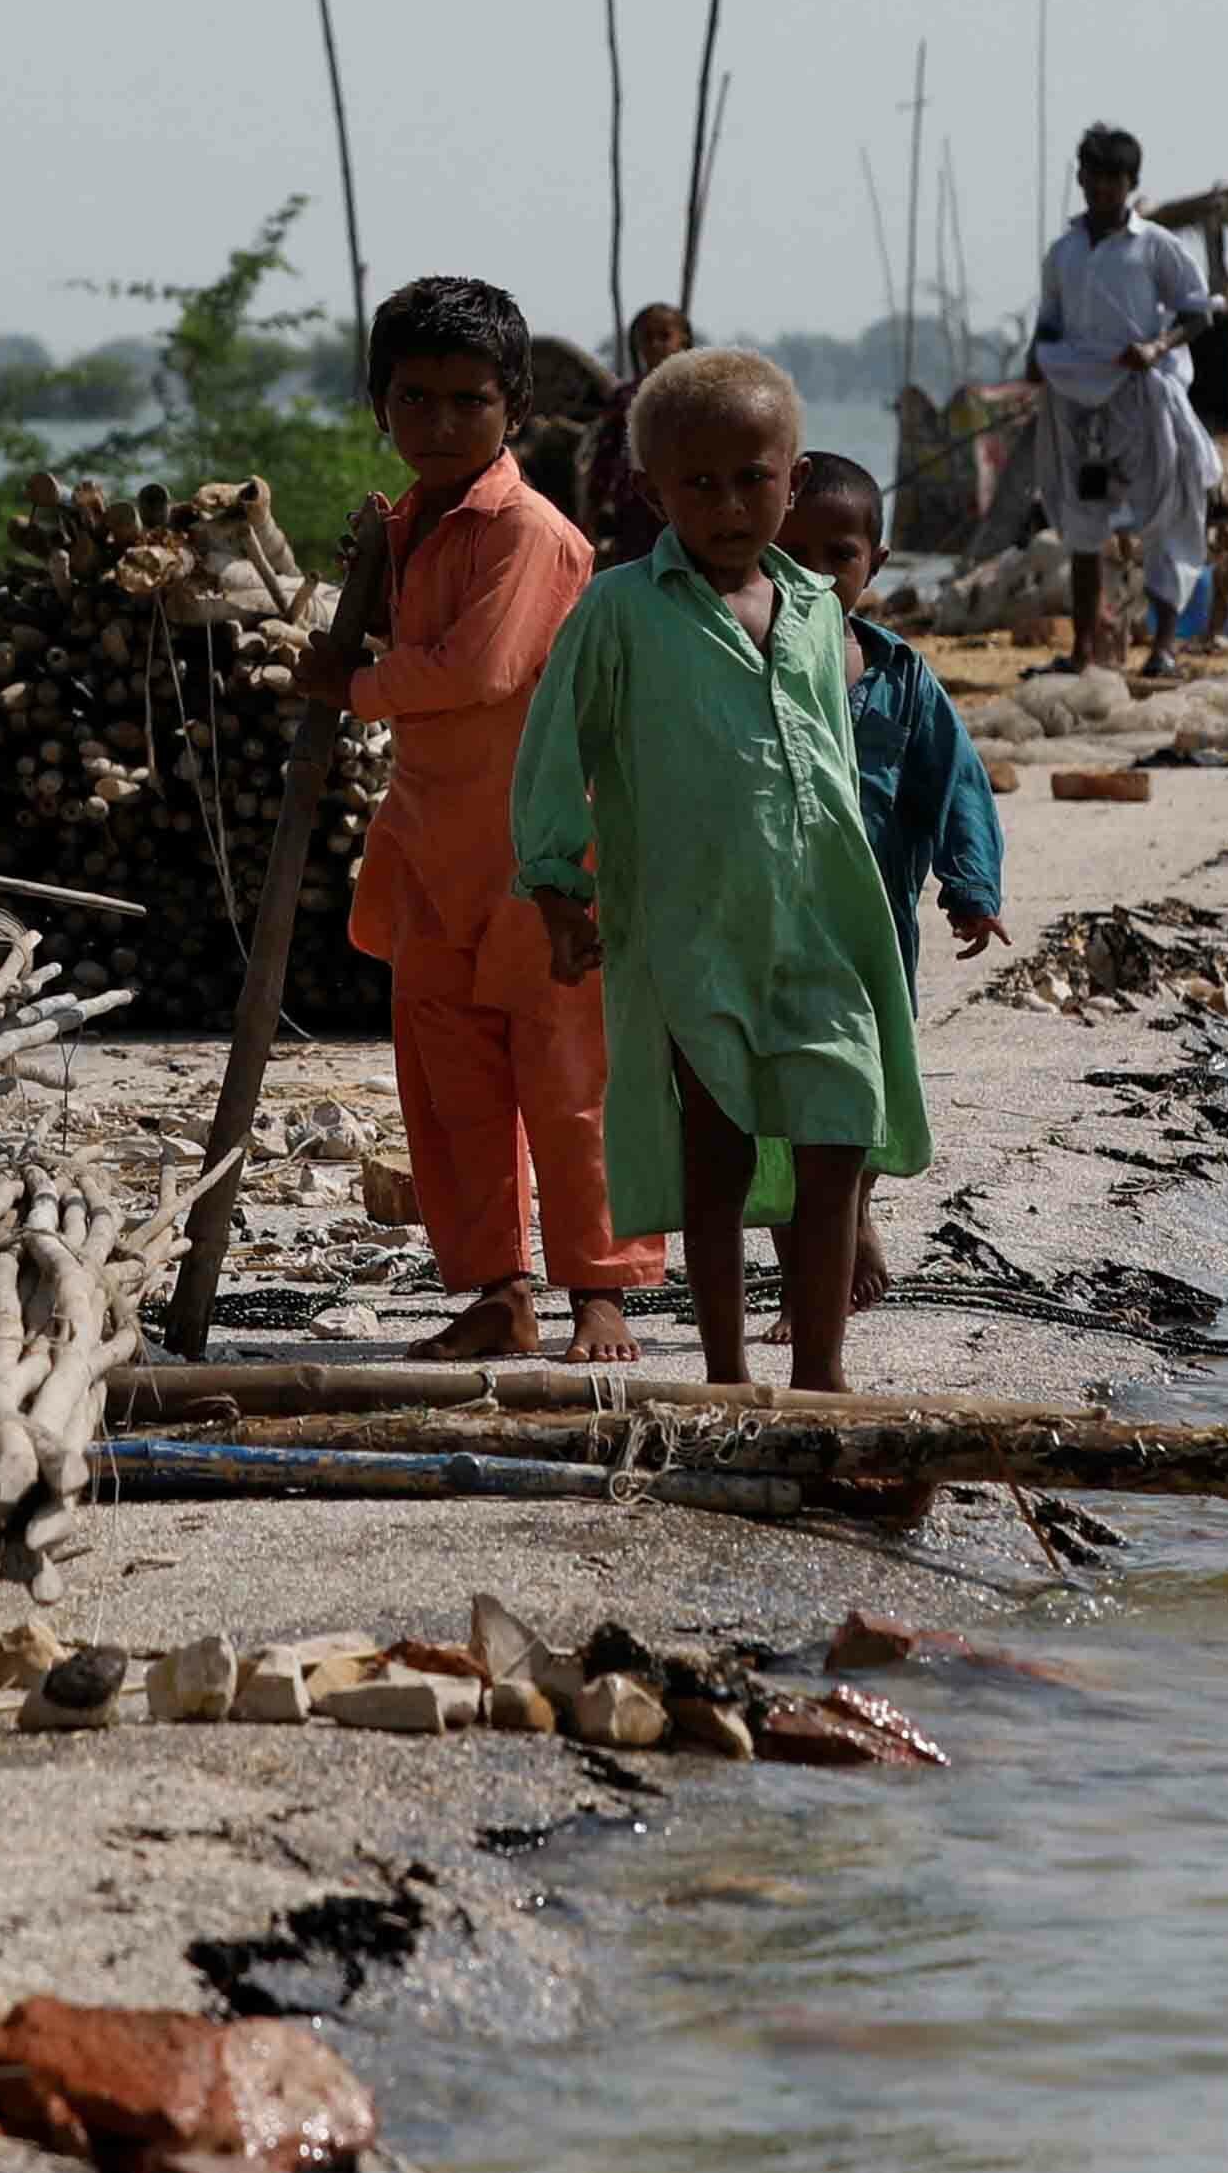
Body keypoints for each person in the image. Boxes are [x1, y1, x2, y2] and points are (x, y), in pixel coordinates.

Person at [516, 351, 931, 1405]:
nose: (729, 505)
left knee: (839, 1128)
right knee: (720, 1147)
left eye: (752, 479)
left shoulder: (813, 611)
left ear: (791, 481)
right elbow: (556, 751)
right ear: (654, 493)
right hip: (691, 929)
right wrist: (560, 892)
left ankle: (822, 1377)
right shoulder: (620, 612)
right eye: (697, 485)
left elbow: (830, 760)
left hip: (821, 926)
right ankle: (725, 1375)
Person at [304, 275, 663, 1365]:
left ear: (514, 406)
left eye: (468, 402)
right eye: (415, 400)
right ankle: (499, 1290)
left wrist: (350, 686)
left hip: (547, 854)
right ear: (378, 405)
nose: (440, 424)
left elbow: (482, 667)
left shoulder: (531, 532)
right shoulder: (407, 526)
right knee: (450, 1085)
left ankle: (600, 1291)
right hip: (431, 845)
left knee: (566, 1076)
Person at [775, 451, 1004, 1314]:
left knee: (858, 1091)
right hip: (771, 924)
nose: (816, 577)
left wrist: (972, 885)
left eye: (839, 556)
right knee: (784, 1099)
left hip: (873, 930)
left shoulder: (899, 675)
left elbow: (956, 782)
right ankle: (806, 1273)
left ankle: (856, 1213)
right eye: (793, 555)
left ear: (876, 562)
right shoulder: (737, 662)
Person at [988, 125, 1221, 679]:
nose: (1102, 189)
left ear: (1129, 182)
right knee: (1080, 524)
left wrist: (1156, 346)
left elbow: (1198, 312)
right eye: (1092, 177)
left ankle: (1163, 646)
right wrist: (1034, 360)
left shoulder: (1157, 246)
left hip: (1141, 397)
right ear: (1081, 180)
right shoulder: (1064, 253)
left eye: (1113, 179)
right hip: (1073, 399)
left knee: (1168, 514)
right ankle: (1083, 652)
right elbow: (1049, 321)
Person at [578, 301, 693, 558]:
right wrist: (593, 512)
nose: (655, 345)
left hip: (686, 508)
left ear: (683, 339)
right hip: (634, 511)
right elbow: (605, 458)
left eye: (664, 336)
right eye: (648, 338)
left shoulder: (697, 395)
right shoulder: (626, 398)